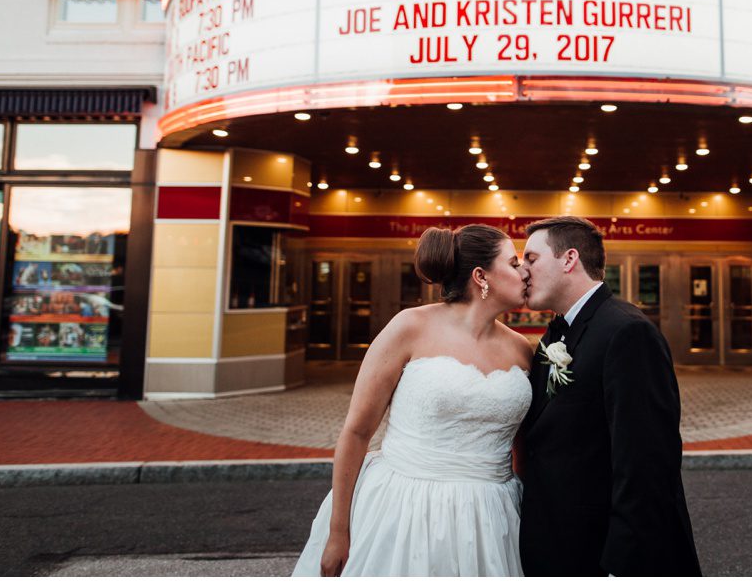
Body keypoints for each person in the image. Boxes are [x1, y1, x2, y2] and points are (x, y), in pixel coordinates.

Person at [292, 224, 535, 577]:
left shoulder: (520, 349)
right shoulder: (409, 327)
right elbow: (357, 432)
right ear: (482, 276)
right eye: (513, 263)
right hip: (403, 507)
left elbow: (522, 446)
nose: (524, 271)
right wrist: (338, 531)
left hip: (493, 514)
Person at [518, 216, 701, 576]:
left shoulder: (627, 332)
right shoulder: (555, 334)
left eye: (531, 259)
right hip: (561, 542)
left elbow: (647, 463)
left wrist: (623, 564)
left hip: (603, 553)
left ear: (569, 259)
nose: (522, 271)